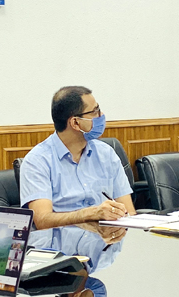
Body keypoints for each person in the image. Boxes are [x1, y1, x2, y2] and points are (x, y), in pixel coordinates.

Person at [19, 86, 135, 229]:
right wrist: (88, 214)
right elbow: (42, 220)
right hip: (61, 246)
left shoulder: (106, 153)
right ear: (75, 123)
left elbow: (129, 212)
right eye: (95, 111)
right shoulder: (37, 161)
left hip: (105, 244)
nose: (101, 115)